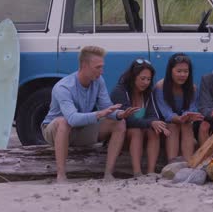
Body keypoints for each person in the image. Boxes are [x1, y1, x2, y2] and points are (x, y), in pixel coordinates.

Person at [41, 46, 139, 182]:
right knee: (63, 122)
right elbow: (72, 119)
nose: (102, 71)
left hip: (81, 129)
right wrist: (99, 114)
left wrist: (120, 114)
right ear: (84, 66)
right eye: (98, 67)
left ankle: (108, 174)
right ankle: (61, 175)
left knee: (119, 123)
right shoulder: (63, 87)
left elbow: (107, 108)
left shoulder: (98, 81)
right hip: (54, 130)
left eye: (102, 67)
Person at [110, 58, 170, 177]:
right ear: (133, 77)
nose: (146, 82)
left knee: (155, 130)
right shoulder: (120, 91)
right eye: (142, 79)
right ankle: (137, 172)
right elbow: (128, 119)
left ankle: (151, 171)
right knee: (137, 131)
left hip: (141, 126)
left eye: (148, 79)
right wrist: (150, 123)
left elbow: (153, 114)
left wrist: (156, 123)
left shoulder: (148, 92)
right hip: (122, 130)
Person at [154, 53, 204, 162]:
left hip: (184, 123)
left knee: (186, 125)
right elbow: (166, 112)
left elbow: (192, 108)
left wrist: (187, 116)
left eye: (186, 71)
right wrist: (179, 119)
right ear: (170, 71)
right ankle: (171, 163)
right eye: (179, 71)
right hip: (165, 125)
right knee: (173, 125)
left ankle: (188, 162)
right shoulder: (160, 86)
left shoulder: (193, 88)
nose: (182, 75)